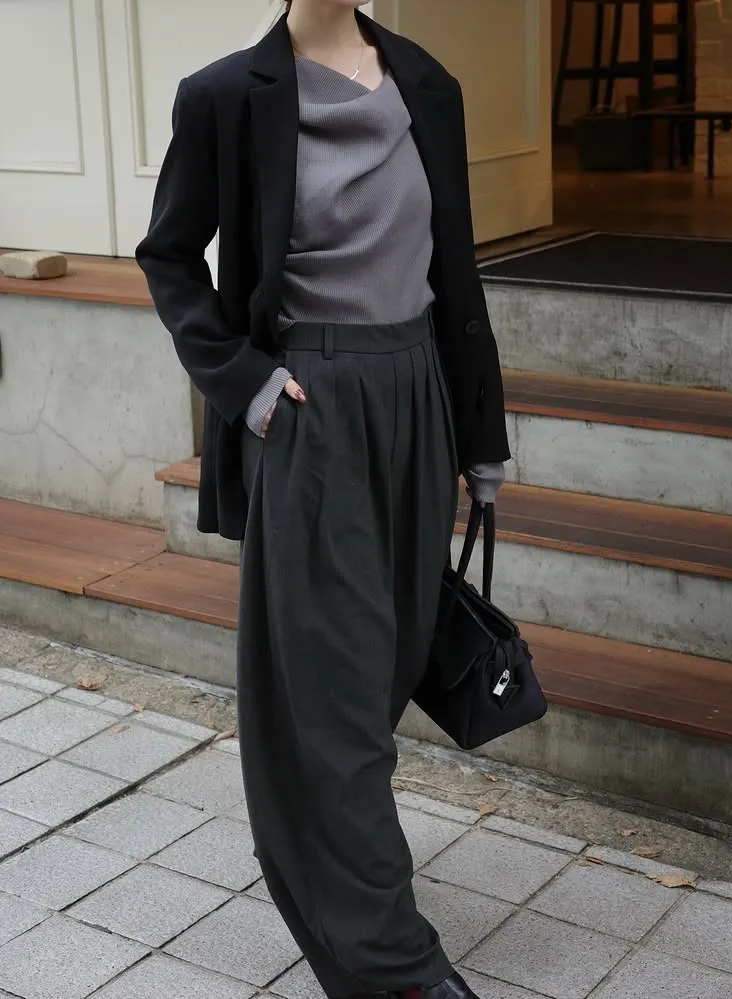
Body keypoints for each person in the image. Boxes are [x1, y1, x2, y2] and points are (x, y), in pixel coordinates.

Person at [136, 3, 511, 998]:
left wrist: (482, 434)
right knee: (331, 697)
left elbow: (456, 270)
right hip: (311, 410)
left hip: (417, 401)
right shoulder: (226, 95)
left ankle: (336, 883)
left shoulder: (427, 83)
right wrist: (245, 383)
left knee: (380, 676)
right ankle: (395, 965)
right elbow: (168, 255)